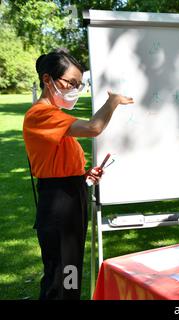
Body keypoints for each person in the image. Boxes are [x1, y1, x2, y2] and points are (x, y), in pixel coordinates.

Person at [23, 49, 134, 300]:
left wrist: (84, 174)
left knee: (70, 267)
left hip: (71, 194)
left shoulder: (57, 117)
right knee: (61, 273)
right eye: (70, 83)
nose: (75, 88)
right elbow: (94, 128)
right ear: (47, 79)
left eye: (78, 83)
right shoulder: (41, 114)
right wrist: (112, 101)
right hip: (59, 202)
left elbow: (57, 162)